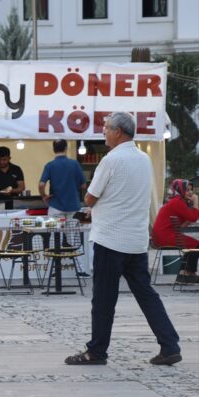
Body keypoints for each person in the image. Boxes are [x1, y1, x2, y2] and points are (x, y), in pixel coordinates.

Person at [65, 112, 181, 366]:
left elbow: (90, 198)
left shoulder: (110, 160)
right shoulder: (144, 159)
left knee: (104, 299)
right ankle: (170, 344)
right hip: (136, 240)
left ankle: (96, 351)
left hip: (110, 239)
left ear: (118, 131)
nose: (104, 132)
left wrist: (96, 205)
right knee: (146, 295)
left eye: (106, 128)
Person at [152, 179, 199, 282]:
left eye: (191, 190)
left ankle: (185, 273)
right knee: (195, 245)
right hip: (164, 236)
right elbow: (193, 217)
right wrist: (196, 202)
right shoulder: (177, 201)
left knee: (192, 244)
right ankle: (187, 273)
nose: (190, 192)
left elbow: (183, 224)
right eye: (187, 190)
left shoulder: (176, 201)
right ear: (180, 190)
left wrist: (190, 216)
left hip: (162, 235)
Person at [39, 139, 87, 218]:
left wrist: (44, 196)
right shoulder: (75, 164)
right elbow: (83, 185)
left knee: (54, 230)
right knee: (73, 230)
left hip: (55, 207)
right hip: (73, 207)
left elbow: (41, 185)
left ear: (53, 149)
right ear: (66, 148)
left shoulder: (50, 165)